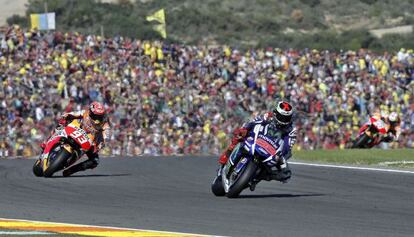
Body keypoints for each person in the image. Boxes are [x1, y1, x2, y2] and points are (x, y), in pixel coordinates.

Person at [216, 101, 297, 186]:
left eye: (286, 118)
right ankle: (223, 162)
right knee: (239, 137)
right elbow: (253, 122)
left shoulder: (291, 130)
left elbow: (288, 147)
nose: (283, 120)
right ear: (275, 113)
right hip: (258, 138)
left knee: (285, 172)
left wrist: (281, 155)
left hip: (272, 149)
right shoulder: (268, 116)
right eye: (281, 117)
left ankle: (259, 177)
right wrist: (245, 129)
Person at [40, 101, 111, 177]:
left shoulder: (105, 124)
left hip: (89, 141)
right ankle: (47, 142)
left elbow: (106, 136)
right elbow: (72, 114)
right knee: (59, 127)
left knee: (95, 161)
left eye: (100, 116)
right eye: (96, 116)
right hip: (76, 129)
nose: (98, 119)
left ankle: (71, 170)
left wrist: (100, 145)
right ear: (90, 112)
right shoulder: (84, 112)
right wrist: (65, 117)